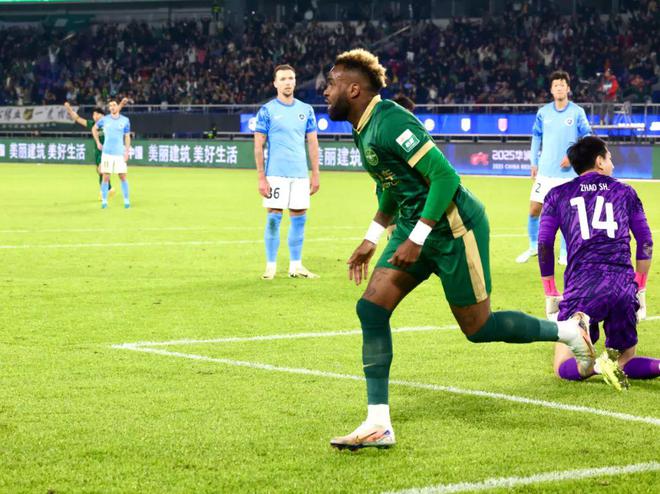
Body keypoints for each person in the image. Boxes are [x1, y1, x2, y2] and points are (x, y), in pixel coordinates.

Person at [323, 49, 605, 451]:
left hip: (454, 228)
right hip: (415, 227)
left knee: (478, 328)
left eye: (331, 83)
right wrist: (373, 236)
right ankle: (378, 423)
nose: (326, 90)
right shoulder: (363, 127)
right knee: (371, 309)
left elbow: (443, 176)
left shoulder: (391, 121)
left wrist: (417, 238)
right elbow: (391, 185)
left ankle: (570, 332)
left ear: (353, 90)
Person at [538, 136, 657, 389]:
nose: (612, 163)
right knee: (625, 359)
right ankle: (616, 364)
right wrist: (640, 287)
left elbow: (545, 244)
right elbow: (646, 241)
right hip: (622, 287)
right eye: (609, 157)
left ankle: (594, 366)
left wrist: (550, 291)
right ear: (599, 161)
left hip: (583, 287)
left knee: (562, 365)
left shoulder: (557, 195)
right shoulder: (625, 192)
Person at [516, 71, 591, 265]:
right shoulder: (543, 112)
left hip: (568, 175)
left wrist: (573, 155)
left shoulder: (577, 112)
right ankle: (533, 246)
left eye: (562, 85)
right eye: (555, 85)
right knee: (534, 210)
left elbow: (587, 136)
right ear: (551, 89)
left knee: (567, 215)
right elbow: (536, 137)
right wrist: (533, 163)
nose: (559, 88)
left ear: (568, 88)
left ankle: (564, 253)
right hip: (545, 173)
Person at [254, 64, 320, 280]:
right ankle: (270, 266)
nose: (287, 82)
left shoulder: (306, 110)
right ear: (275, 83)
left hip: (300, 174)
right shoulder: (267, 111)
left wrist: (315, 174)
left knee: (299, 219)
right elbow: (258, 145)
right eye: (282, 79)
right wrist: (261, 177)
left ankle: (296, 266)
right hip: (275, 174)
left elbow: (313, 143)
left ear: (295, 81)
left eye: (291, 78)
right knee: (274, 219)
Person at [64, 98, 128, 200]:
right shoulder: (93, 125)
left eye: (97, 114)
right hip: (98, 152)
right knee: (100, 172)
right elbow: (78, 118)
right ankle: (109, 189)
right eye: (93, 115)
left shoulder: (108, 121)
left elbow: (116, 110)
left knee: (102, 170)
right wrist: (69, 110)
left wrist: (121, 104)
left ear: (102, 115)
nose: (95, 116)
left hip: (108, 151)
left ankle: (104, 192)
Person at [92, 99, 131, 209]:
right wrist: (98, 142)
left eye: (114, 105)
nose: (112, 107)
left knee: (122, 176)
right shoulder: (105, 120)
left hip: (119, 153)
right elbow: (94, 129)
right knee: (105, 177)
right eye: (110, 106)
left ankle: (126, 200)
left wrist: (127, 151)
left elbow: (127, 136)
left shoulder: (125, 120)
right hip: (107, 153)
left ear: (117, 106)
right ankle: (104, 201)